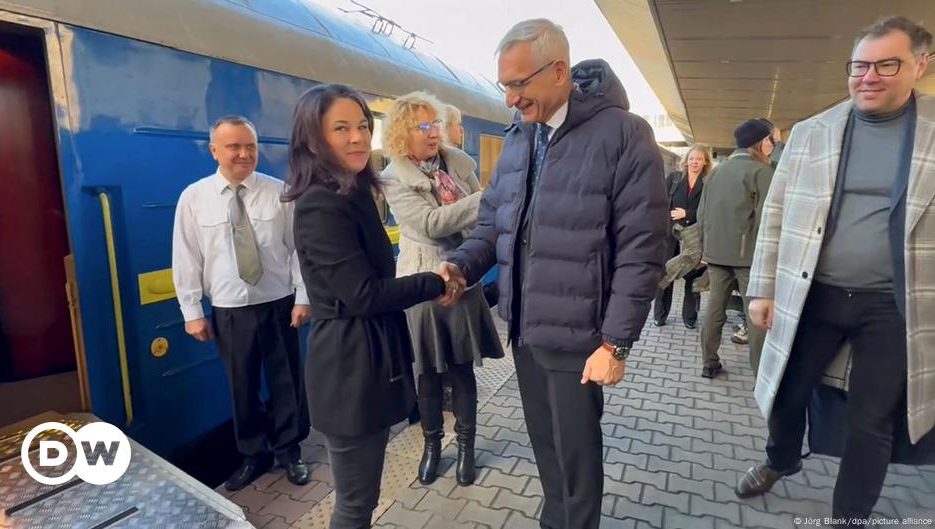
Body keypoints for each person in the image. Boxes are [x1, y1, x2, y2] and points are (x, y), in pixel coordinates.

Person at [440, 19, 669, 529]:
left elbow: (642, 247)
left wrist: (616, 344)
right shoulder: (521, 137)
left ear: (559, 71)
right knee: (548, 451)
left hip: (580, 339)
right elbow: (492, 224)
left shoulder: (624, 135)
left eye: (518, 85)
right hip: (525, 329)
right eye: (505, 86)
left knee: (577, 461)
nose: (509, 100)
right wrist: (460, 267)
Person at [737, 17, 935, 526]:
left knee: (871, 422)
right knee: (786, 390)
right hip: (815, 294)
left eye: (886, 64)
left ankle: (849, 517)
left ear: (921, 64)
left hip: (895, 305)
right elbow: (775, 215)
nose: (869, 76)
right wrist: (761, 288)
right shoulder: (811, 133)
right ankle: (780, 458)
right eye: (860, 65)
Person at [282, 84, 459, 529]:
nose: (358, 137)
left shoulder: (351, 191)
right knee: (356, 504)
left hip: (364, 357)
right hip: (348, 366)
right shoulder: (321, 203)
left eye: (362, 125)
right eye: (341, 128)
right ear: (312, 139)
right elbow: (362, 294)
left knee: (364, 496)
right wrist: (432, 281)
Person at [172, 115, 310, 491]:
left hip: (279, 304)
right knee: (241, 385)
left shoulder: (279, 192)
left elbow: (298, 250)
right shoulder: (194, 198)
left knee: (286, 381)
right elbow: (186, 257)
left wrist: (302, 297)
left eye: (250, 146)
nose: (244, 154)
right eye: (234, 146)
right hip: (229, 310)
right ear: (214, 150)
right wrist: (192, 312)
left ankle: (289, 452)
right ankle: (254, 455)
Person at [378, 91, 505, 487]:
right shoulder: (392, 178)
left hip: (463, 277)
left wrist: (482, 209)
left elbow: (484, 224)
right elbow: (430, 224)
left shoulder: (458, 165)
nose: (434, 133)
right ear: (402, 133)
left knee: (462, 368)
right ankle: (432, 446)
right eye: (424, 127)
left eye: (436, 125)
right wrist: (488, 197)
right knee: (427, 373)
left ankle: (466, 446)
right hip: (421, 282)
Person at [696, 118, 774, 378]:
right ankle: (760, 375)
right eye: (771, 139)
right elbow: (769, 220)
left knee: (714, 312)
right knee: (757, 317)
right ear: (762, 143)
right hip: (749, 260)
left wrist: (705, 250)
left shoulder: (717, 170)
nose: (773, 144)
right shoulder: (763, 172)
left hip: (716, 256)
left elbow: (702, 213)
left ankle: (709, 363)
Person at [653, 144, 712, 329]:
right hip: (671, 235)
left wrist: (687, 213)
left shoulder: (709, 183)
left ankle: (690, 318)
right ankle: (660, 315)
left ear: (705, 162)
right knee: (666, 274)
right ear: (686, 160)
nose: (695, 162)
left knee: (691, 277)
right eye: (692, 158)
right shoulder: (674, 179)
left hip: (694, 236)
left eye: (699, 159)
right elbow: (659, 202)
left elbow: (710, 211)